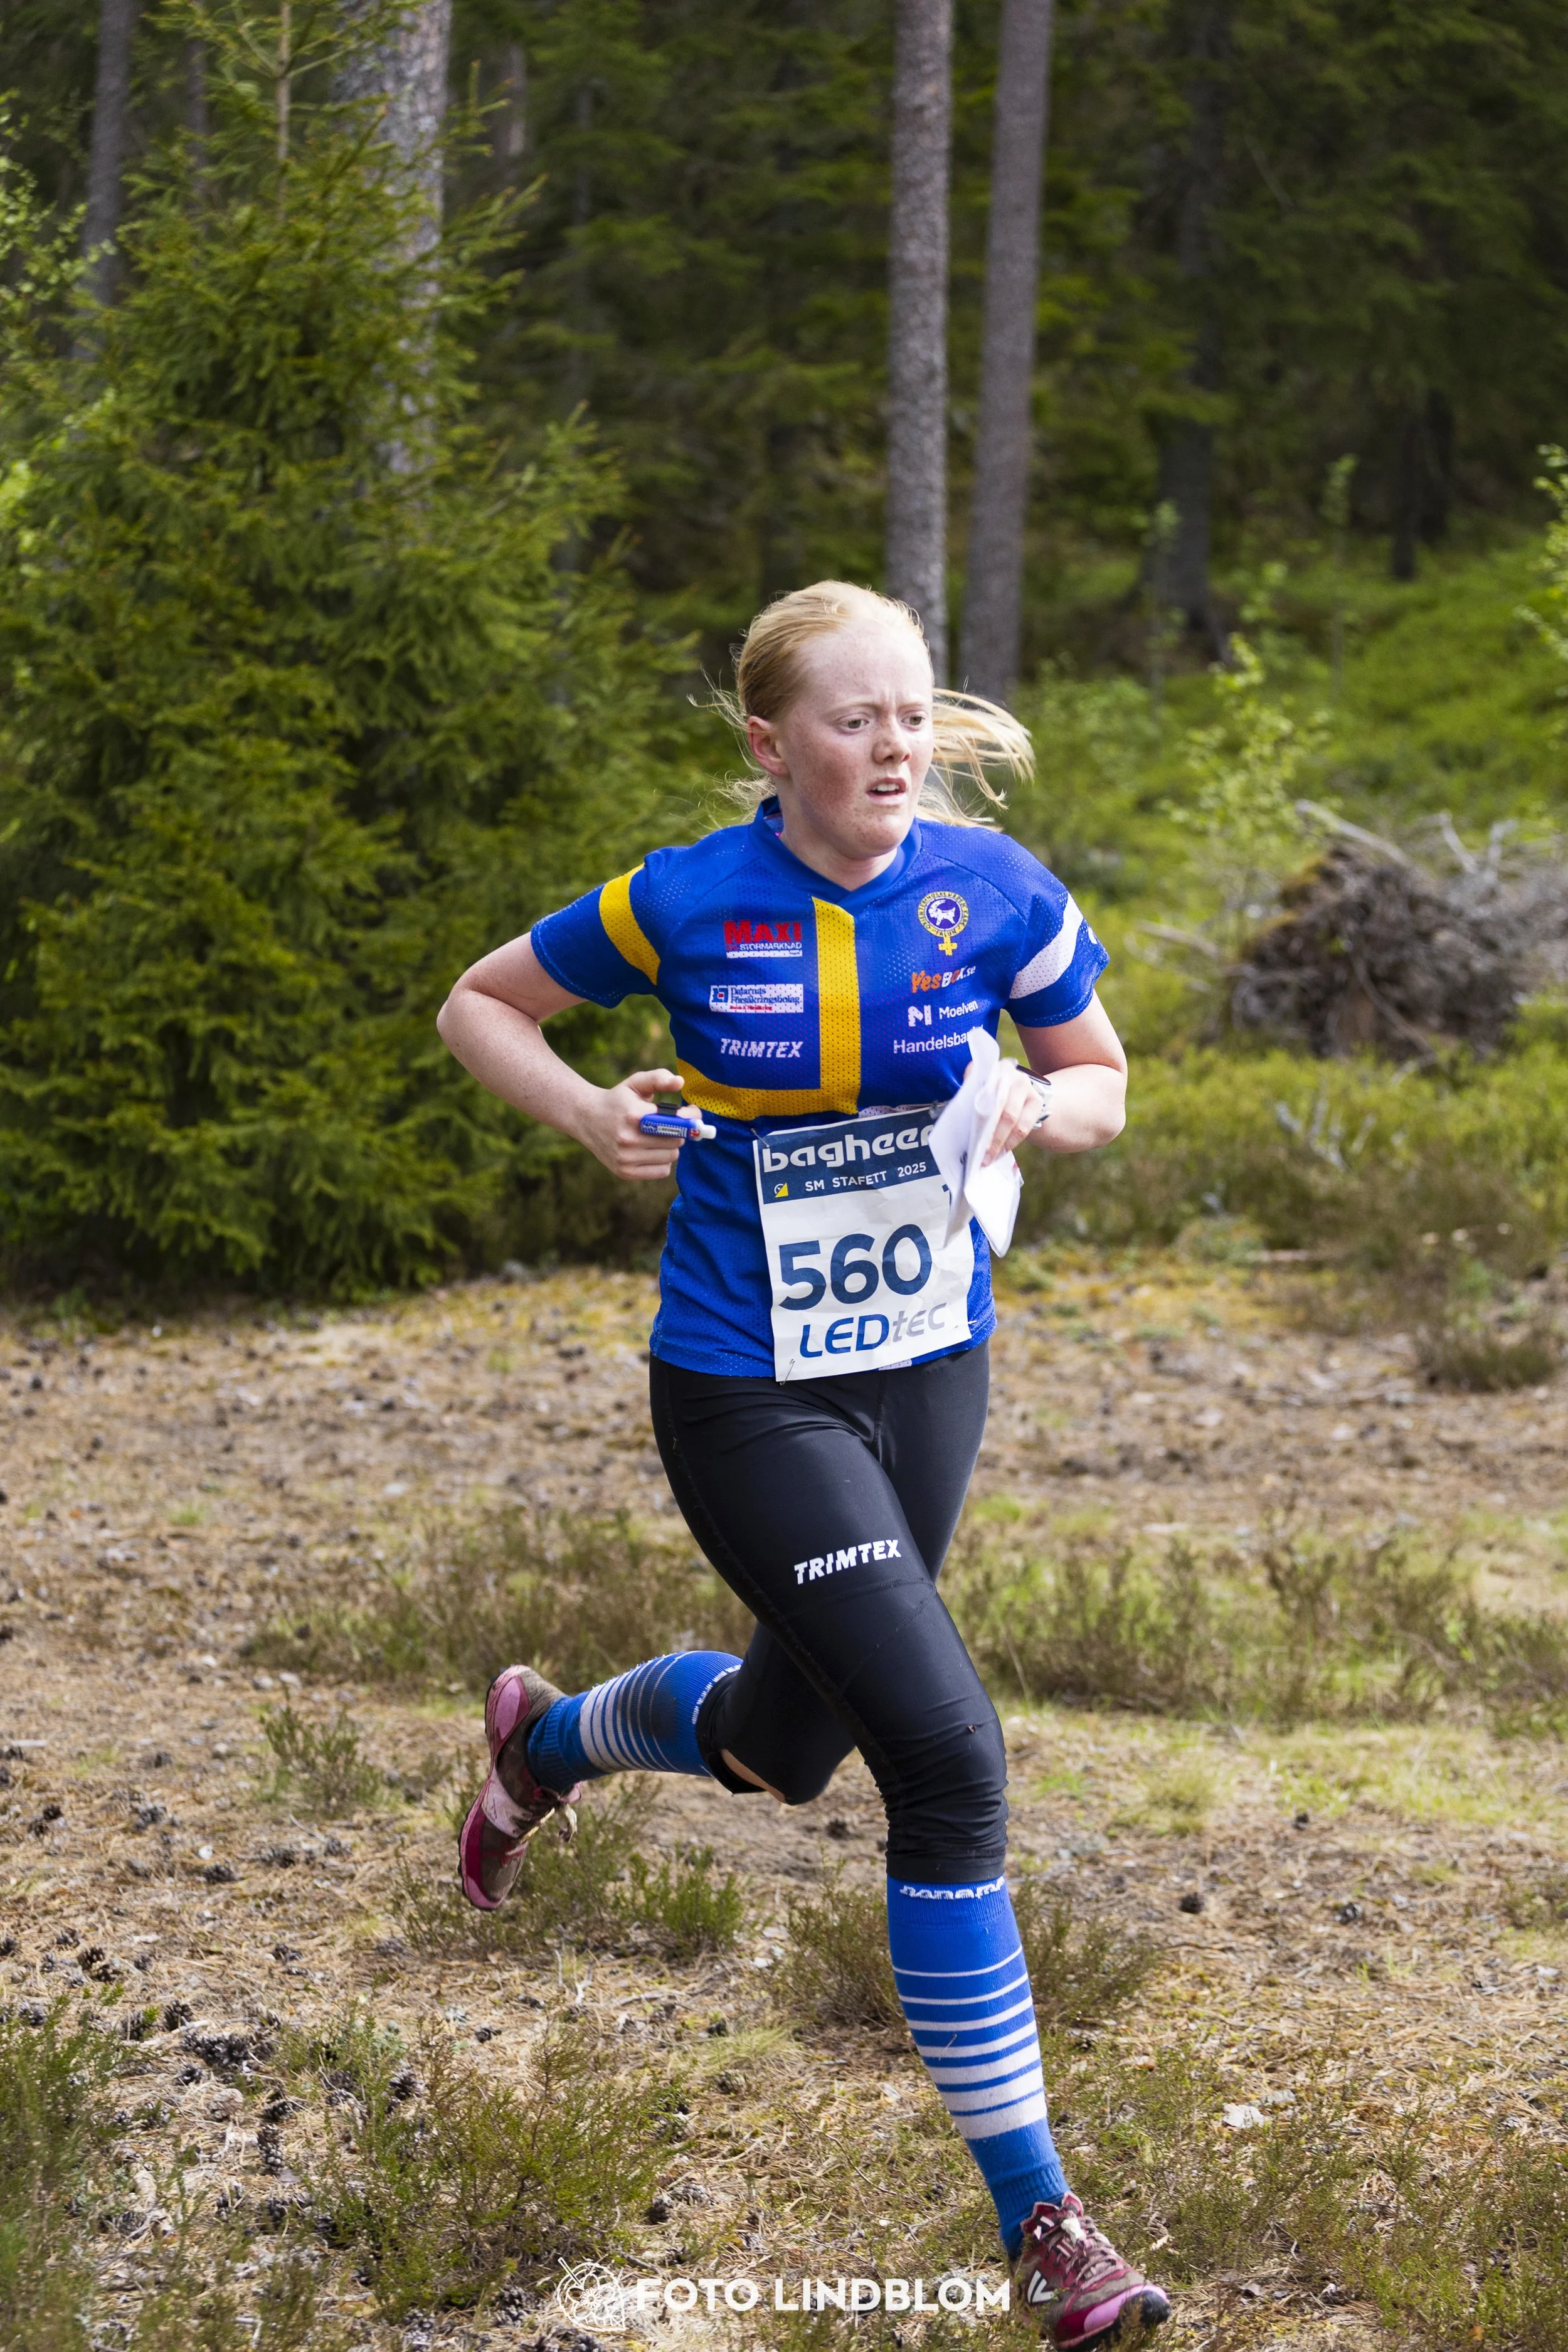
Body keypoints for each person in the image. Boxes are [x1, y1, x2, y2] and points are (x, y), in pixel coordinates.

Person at [435, 581, 1170, 2348]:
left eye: (913, 712)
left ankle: (543, 1737)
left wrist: (1030, 1107)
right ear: (772, 743)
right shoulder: (687, 895)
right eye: (855, 718)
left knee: (786, 1741)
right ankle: (1047, 2230)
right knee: (943, 1751)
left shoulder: (994, 894)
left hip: (926, 1370)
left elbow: (1102, 1078)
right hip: (744, 1384)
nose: (895, 743)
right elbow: (480, 1004)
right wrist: (592, 1114)